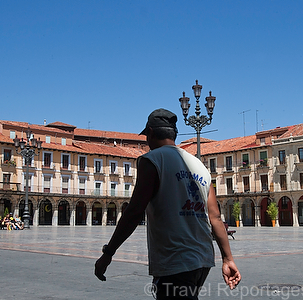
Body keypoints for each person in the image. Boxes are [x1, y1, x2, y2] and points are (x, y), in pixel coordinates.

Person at [95, 108, 241, 299]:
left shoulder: (152, 160)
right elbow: (214, 217)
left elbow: (135, 211)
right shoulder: (200, 166)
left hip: (175, 260)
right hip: (203, 259)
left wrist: (108, 253)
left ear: (151, 133)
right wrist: (228, 259)